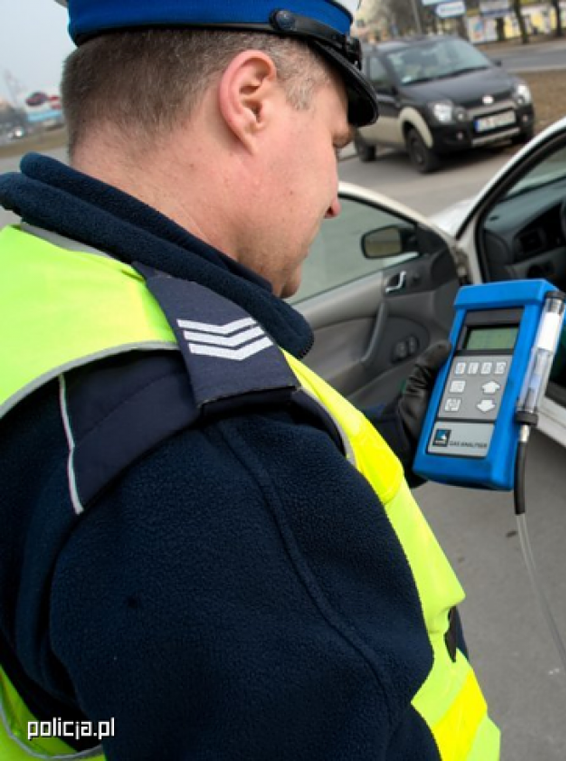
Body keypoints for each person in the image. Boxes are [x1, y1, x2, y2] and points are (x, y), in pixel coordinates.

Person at [0, 1, 499, 759]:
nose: (335, 196)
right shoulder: (211, 458)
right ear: (252, 100)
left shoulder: (44, 282)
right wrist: (279, 471)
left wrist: (373, 443)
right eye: (335, 142)